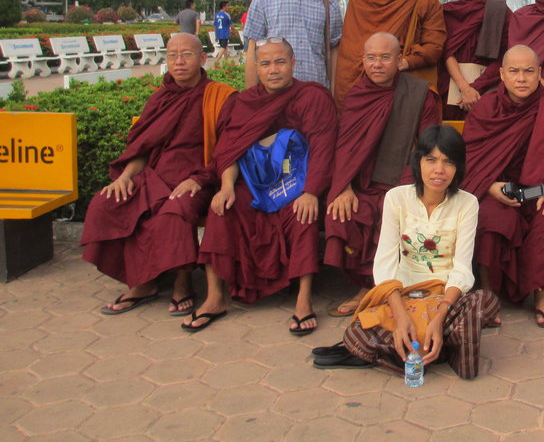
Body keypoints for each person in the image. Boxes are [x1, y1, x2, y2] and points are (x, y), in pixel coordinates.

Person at [313, 126, 500, 376]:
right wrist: (401, 317)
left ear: (458, 168)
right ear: (418, 162)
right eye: (431, 160)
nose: (439, 170)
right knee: (359, 329)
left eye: (448, 162)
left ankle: (401, 349)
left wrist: (439, 315)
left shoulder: (467, 203)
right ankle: (439, 347)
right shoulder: (396, 198)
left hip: (444, 299)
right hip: (404, 296)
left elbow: (463, 268)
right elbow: (385, 262)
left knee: (484, 301)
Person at [185, 37, 337, 335]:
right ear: (256, 68)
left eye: (280, 62)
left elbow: (323, 146)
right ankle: (214, 298)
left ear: (293, 64)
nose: (273, 70)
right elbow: (229, 150)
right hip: (253, 183)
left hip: (298, 181)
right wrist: (226, 186)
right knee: (222, 209)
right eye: (265, 64)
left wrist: (311, 192)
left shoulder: (311, 97)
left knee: (303, 214)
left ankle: (304, 300)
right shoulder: (244, 103)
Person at [81, 33, 235, 316]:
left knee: (173, 213)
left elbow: (228, 150)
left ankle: (182, 283)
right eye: (172, 55)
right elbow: (143, 147)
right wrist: (125, 177)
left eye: (186, 55)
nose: (179, 62)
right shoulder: (161, 98)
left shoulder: (219, 97)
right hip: (153, 178)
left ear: (203, 58)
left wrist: (198, 179)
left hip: (199, 180)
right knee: (107, 203)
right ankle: (142, 283)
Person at [323, 32, 442, 317]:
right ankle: (366, 287)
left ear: (399, 61)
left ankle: (387, 289)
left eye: (385, 57)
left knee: (396, 214)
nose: (377, 64)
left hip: (403, 180)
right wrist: (344, 187)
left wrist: (411, 188)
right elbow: (345, 147)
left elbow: (429, 149)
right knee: (340, 214)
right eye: (371, 58)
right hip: (362, 183)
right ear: (363, 61)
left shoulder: (420, 94)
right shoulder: (356, 95)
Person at [462, 45, 544, 328]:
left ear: (540, 73)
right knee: (490, 218)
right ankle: (489, 292)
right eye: (514, 71)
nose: (522, 78)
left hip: (540, 189)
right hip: (498, 188)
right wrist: (490, 186)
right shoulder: (486, 108)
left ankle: (543, 294)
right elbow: (467, 157)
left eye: (529, 71)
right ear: (502, 74)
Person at [333, 0, 446, 107]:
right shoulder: (359, 1)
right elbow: (350, 57)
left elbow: (434, 47)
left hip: (405, 93)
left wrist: (404, 63)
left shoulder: (424, 0)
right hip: (364, 93)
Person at [438, 0, 510, 120]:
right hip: (450, 90)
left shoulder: (500, 11)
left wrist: (476, 87)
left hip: (488, 90)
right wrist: (464, 87)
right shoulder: (445, 12)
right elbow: (444, 51)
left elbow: (506, 57)